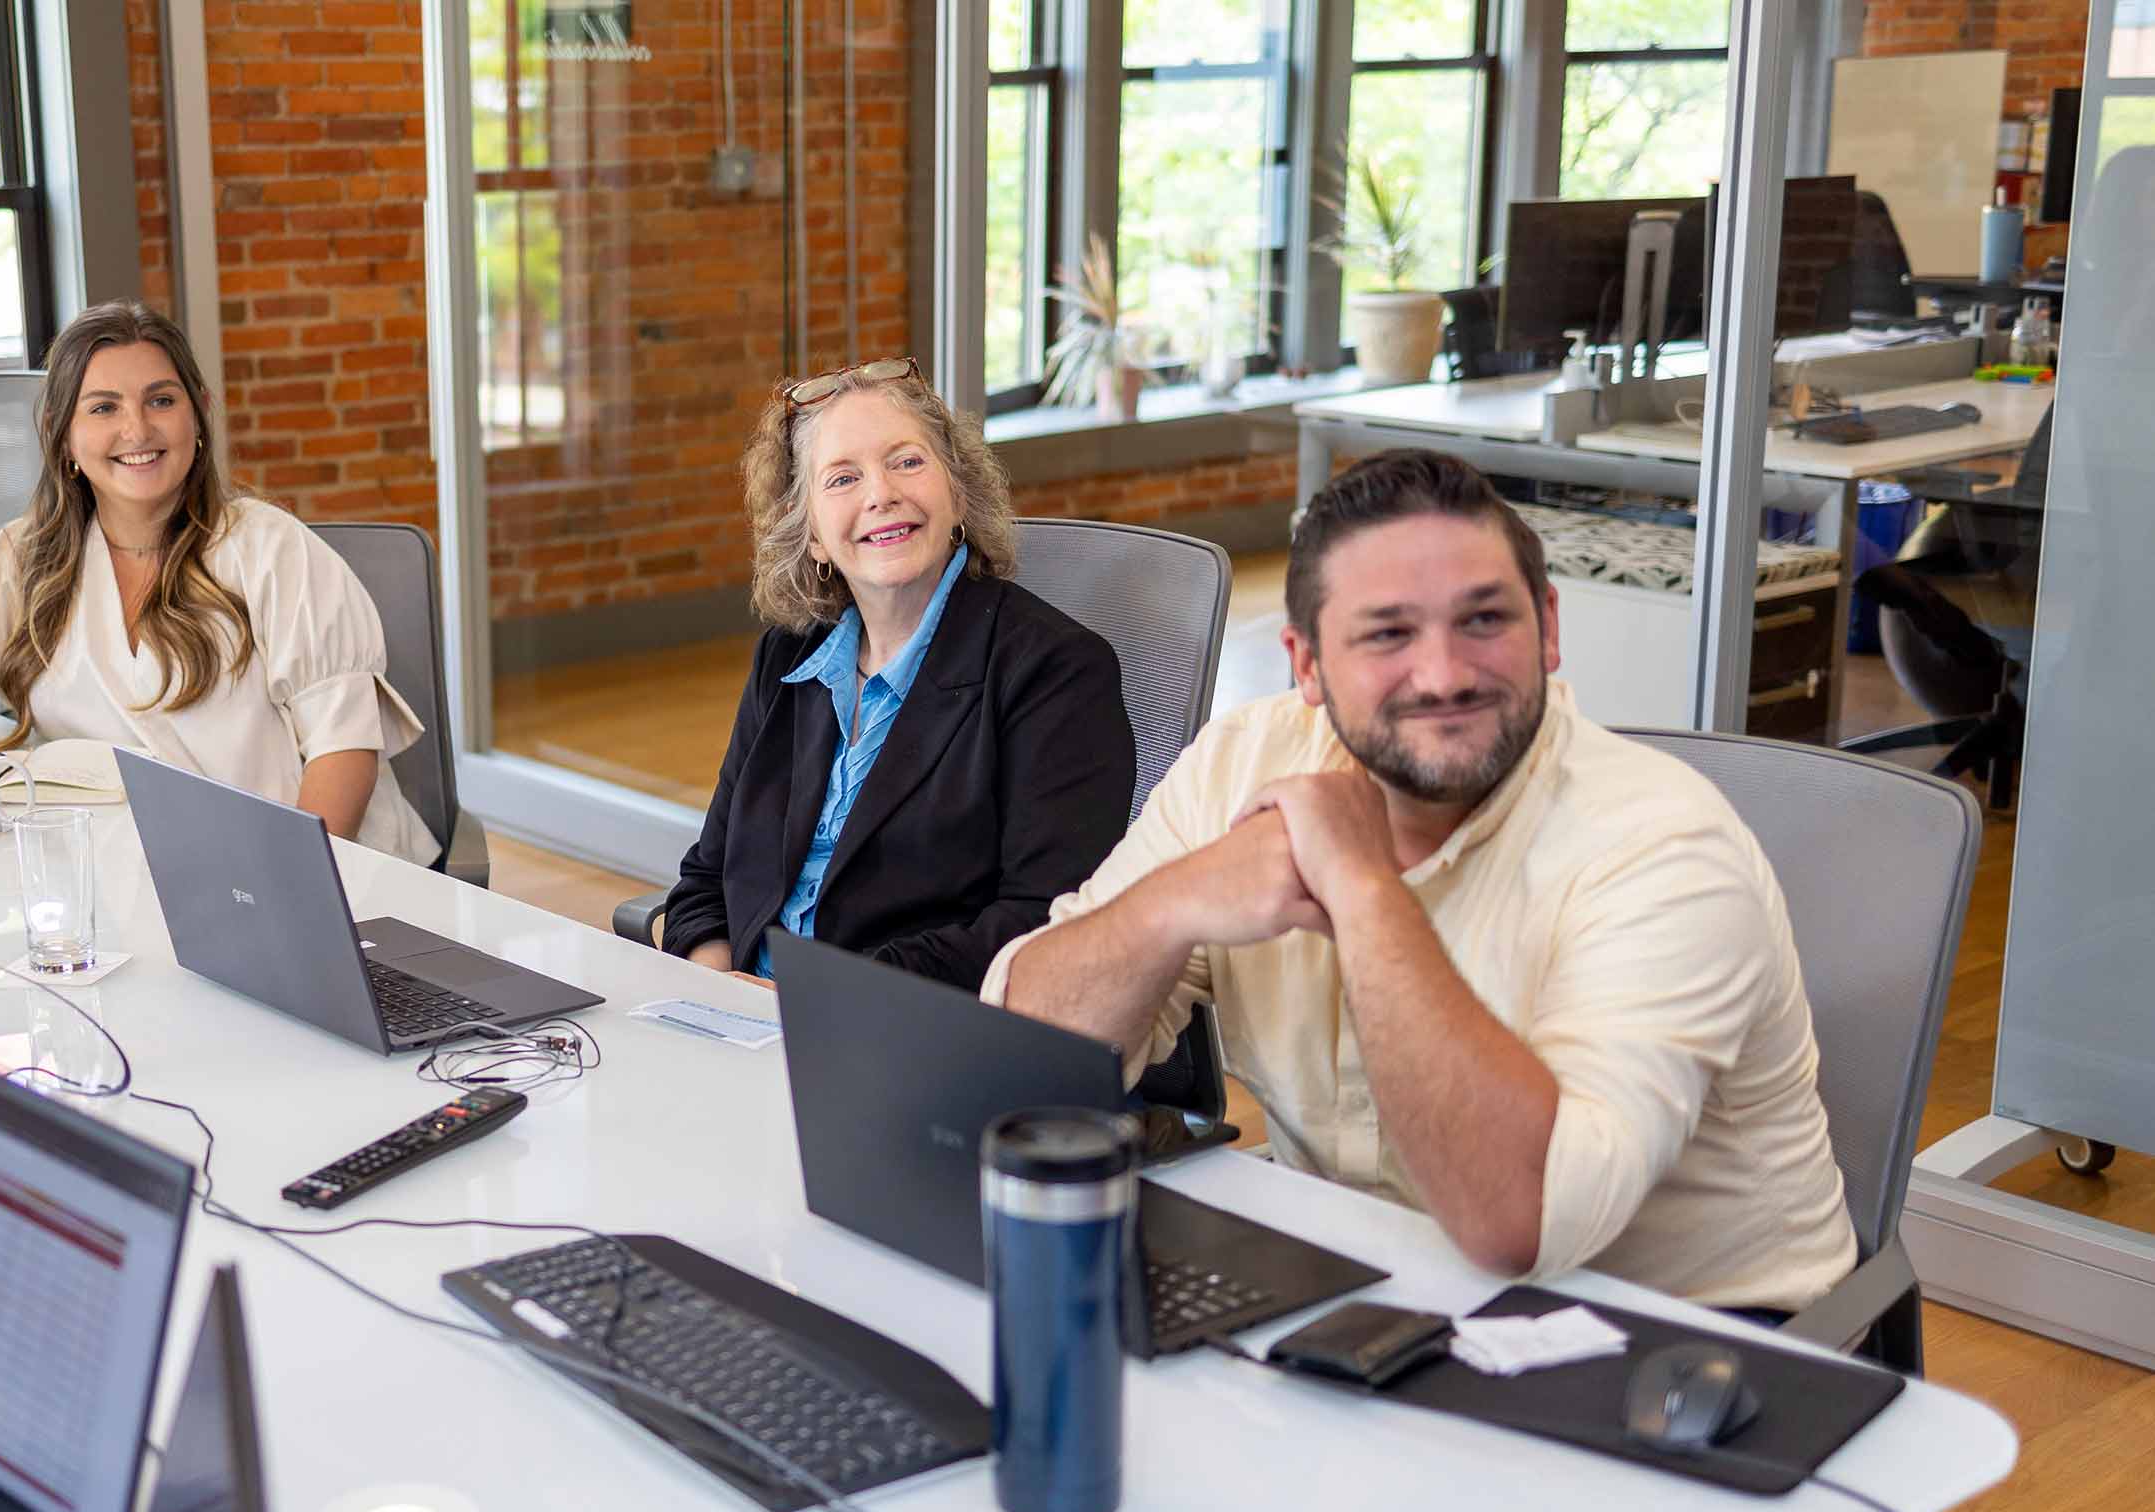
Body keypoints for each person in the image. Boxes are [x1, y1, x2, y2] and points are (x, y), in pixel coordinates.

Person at [985, 448, 1856, 1314]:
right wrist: (1171, 905)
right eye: (1387, 634)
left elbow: (1524, 1223)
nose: (1443, 676)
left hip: (1689, 1343)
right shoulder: (1245, 760)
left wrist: (1363, 890)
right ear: (1307, 666)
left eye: (1483, 621)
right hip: (1371, 1288)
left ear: (1548, 628)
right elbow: (1021, 1067)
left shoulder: (1661, 844)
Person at [0, 298, 438, 866]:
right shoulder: (24, 558)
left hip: (315, 873)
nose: (136, 429)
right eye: (103, 408)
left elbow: (345, 753)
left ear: (199, 415)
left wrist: (295, 889)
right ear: (61, 434)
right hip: (132, 878)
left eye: (161, 400)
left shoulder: (271, 550)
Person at [658, 358, 1134, 991]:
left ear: (958, 493)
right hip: (747, 1024)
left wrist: (813, 1000)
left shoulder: (1056, 673)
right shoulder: (789, 658)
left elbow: (1041, 924)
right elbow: (707, 880)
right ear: (814, 538)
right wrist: (719, 998)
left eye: (907, 462)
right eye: (843, 477)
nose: (880, 493)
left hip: (917, 1038)